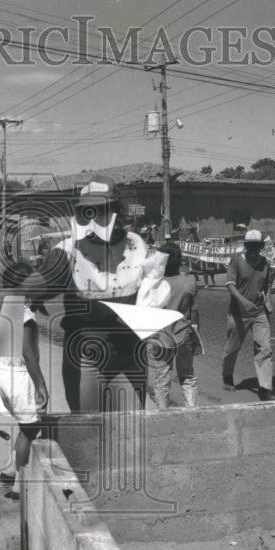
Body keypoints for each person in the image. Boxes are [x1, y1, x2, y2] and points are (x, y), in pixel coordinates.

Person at [40, 174, 150, 412]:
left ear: (116, 211)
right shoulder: (66, 251)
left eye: (101, 209)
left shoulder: (136, 245)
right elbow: (33, 291)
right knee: (88, 430)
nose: (94, 217)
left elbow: (152, 293)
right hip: (85, 354)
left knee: (131, 428)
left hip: (128, 352)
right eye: (87, 210)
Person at [0, 262, 50, 488]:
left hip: (4, 371)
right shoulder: (24, 314)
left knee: (24, 428)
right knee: (29, 431)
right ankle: (21, 486)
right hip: (20, 376)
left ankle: (10, 471)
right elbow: (28, 353)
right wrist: (40, 384)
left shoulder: (2, 305)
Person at [222, 229, 275, 402]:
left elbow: (266, 286)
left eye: (256, 246)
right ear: (245, 246)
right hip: (238, 313)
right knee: (232, 348)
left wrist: (268, 302)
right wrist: (243, 301)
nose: (253, 250)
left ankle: (265, 387)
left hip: (260, 313)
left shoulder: (265, 264)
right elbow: (230, 285)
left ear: (261, 246)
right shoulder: (236, 261)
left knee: (264, 348)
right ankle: (227, 375)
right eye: (249, 246)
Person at [147, 243, 201, 409]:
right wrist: (196, 337)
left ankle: (162, 414)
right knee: (188, 377)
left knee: (162, 379)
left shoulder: (153, 284)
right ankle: (192, 413)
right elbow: (194, 313)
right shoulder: (189, 281)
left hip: (161, 336)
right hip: (183, 333)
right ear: (179, 261)